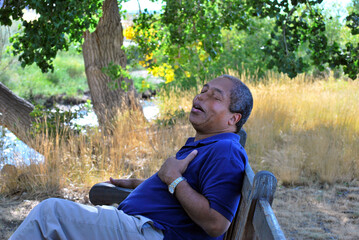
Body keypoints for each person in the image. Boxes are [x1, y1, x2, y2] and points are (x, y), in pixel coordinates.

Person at [10, 75, 253, 240]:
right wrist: (145, 184)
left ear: (234, 118)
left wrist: (173, 179)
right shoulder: (212, 143)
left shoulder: (226, 151)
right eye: (203, 91)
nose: (200, 97)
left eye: (215, 97)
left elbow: (216, 224)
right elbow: (188, 188)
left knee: (50, 214)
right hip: (141, 227)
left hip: (152, 233)